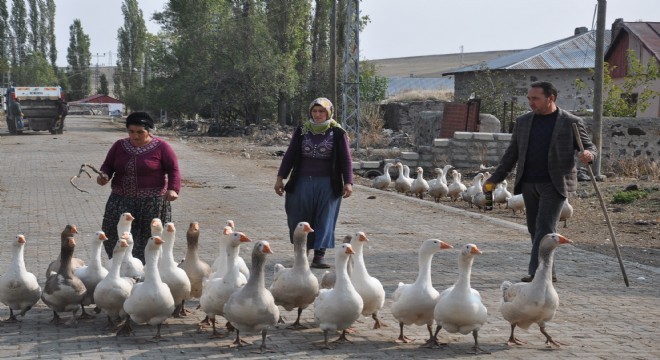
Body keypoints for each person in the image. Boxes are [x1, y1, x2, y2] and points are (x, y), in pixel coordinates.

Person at [483, 81, 596, 282]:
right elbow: (511, 155)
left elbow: (589, 146)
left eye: (535, 98)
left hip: (556, 183)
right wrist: (494, 180)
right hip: (529, 183)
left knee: (545, 228)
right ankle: (548, 272)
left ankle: (537, 273)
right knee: (534, 229)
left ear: (550, 98)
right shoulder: (523, 122)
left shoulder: (570, 122)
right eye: (529, 98)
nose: (530, 102)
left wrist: (588, 154)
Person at [274, 97, 353, 269]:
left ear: (329, 112)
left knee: (324, 218)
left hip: (328, 184)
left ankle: (319, 257)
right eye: (315, 111)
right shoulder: (302, 131)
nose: (317, 114)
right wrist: (280, 178)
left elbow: (346, 159)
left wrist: (348, 182)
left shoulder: (338, 133)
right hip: (301, 182)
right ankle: (301, 255)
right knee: (298, 217)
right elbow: (290, 155)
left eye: (322, 111)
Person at [97, 111, 181, 263]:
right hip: (120, 201)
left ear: (149, 131)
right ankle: (119, 267)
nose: (135, 136)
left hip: (151, 203)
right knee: (113, 234)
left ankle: (145, 272)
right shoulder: (119, 146)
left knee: (147, 238)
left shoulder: (162, 147)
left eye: (140, 132)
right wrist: (104, 176)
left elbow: (173, 169)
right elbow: (108, 165)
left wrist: (173, 188)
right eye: (131, 131)